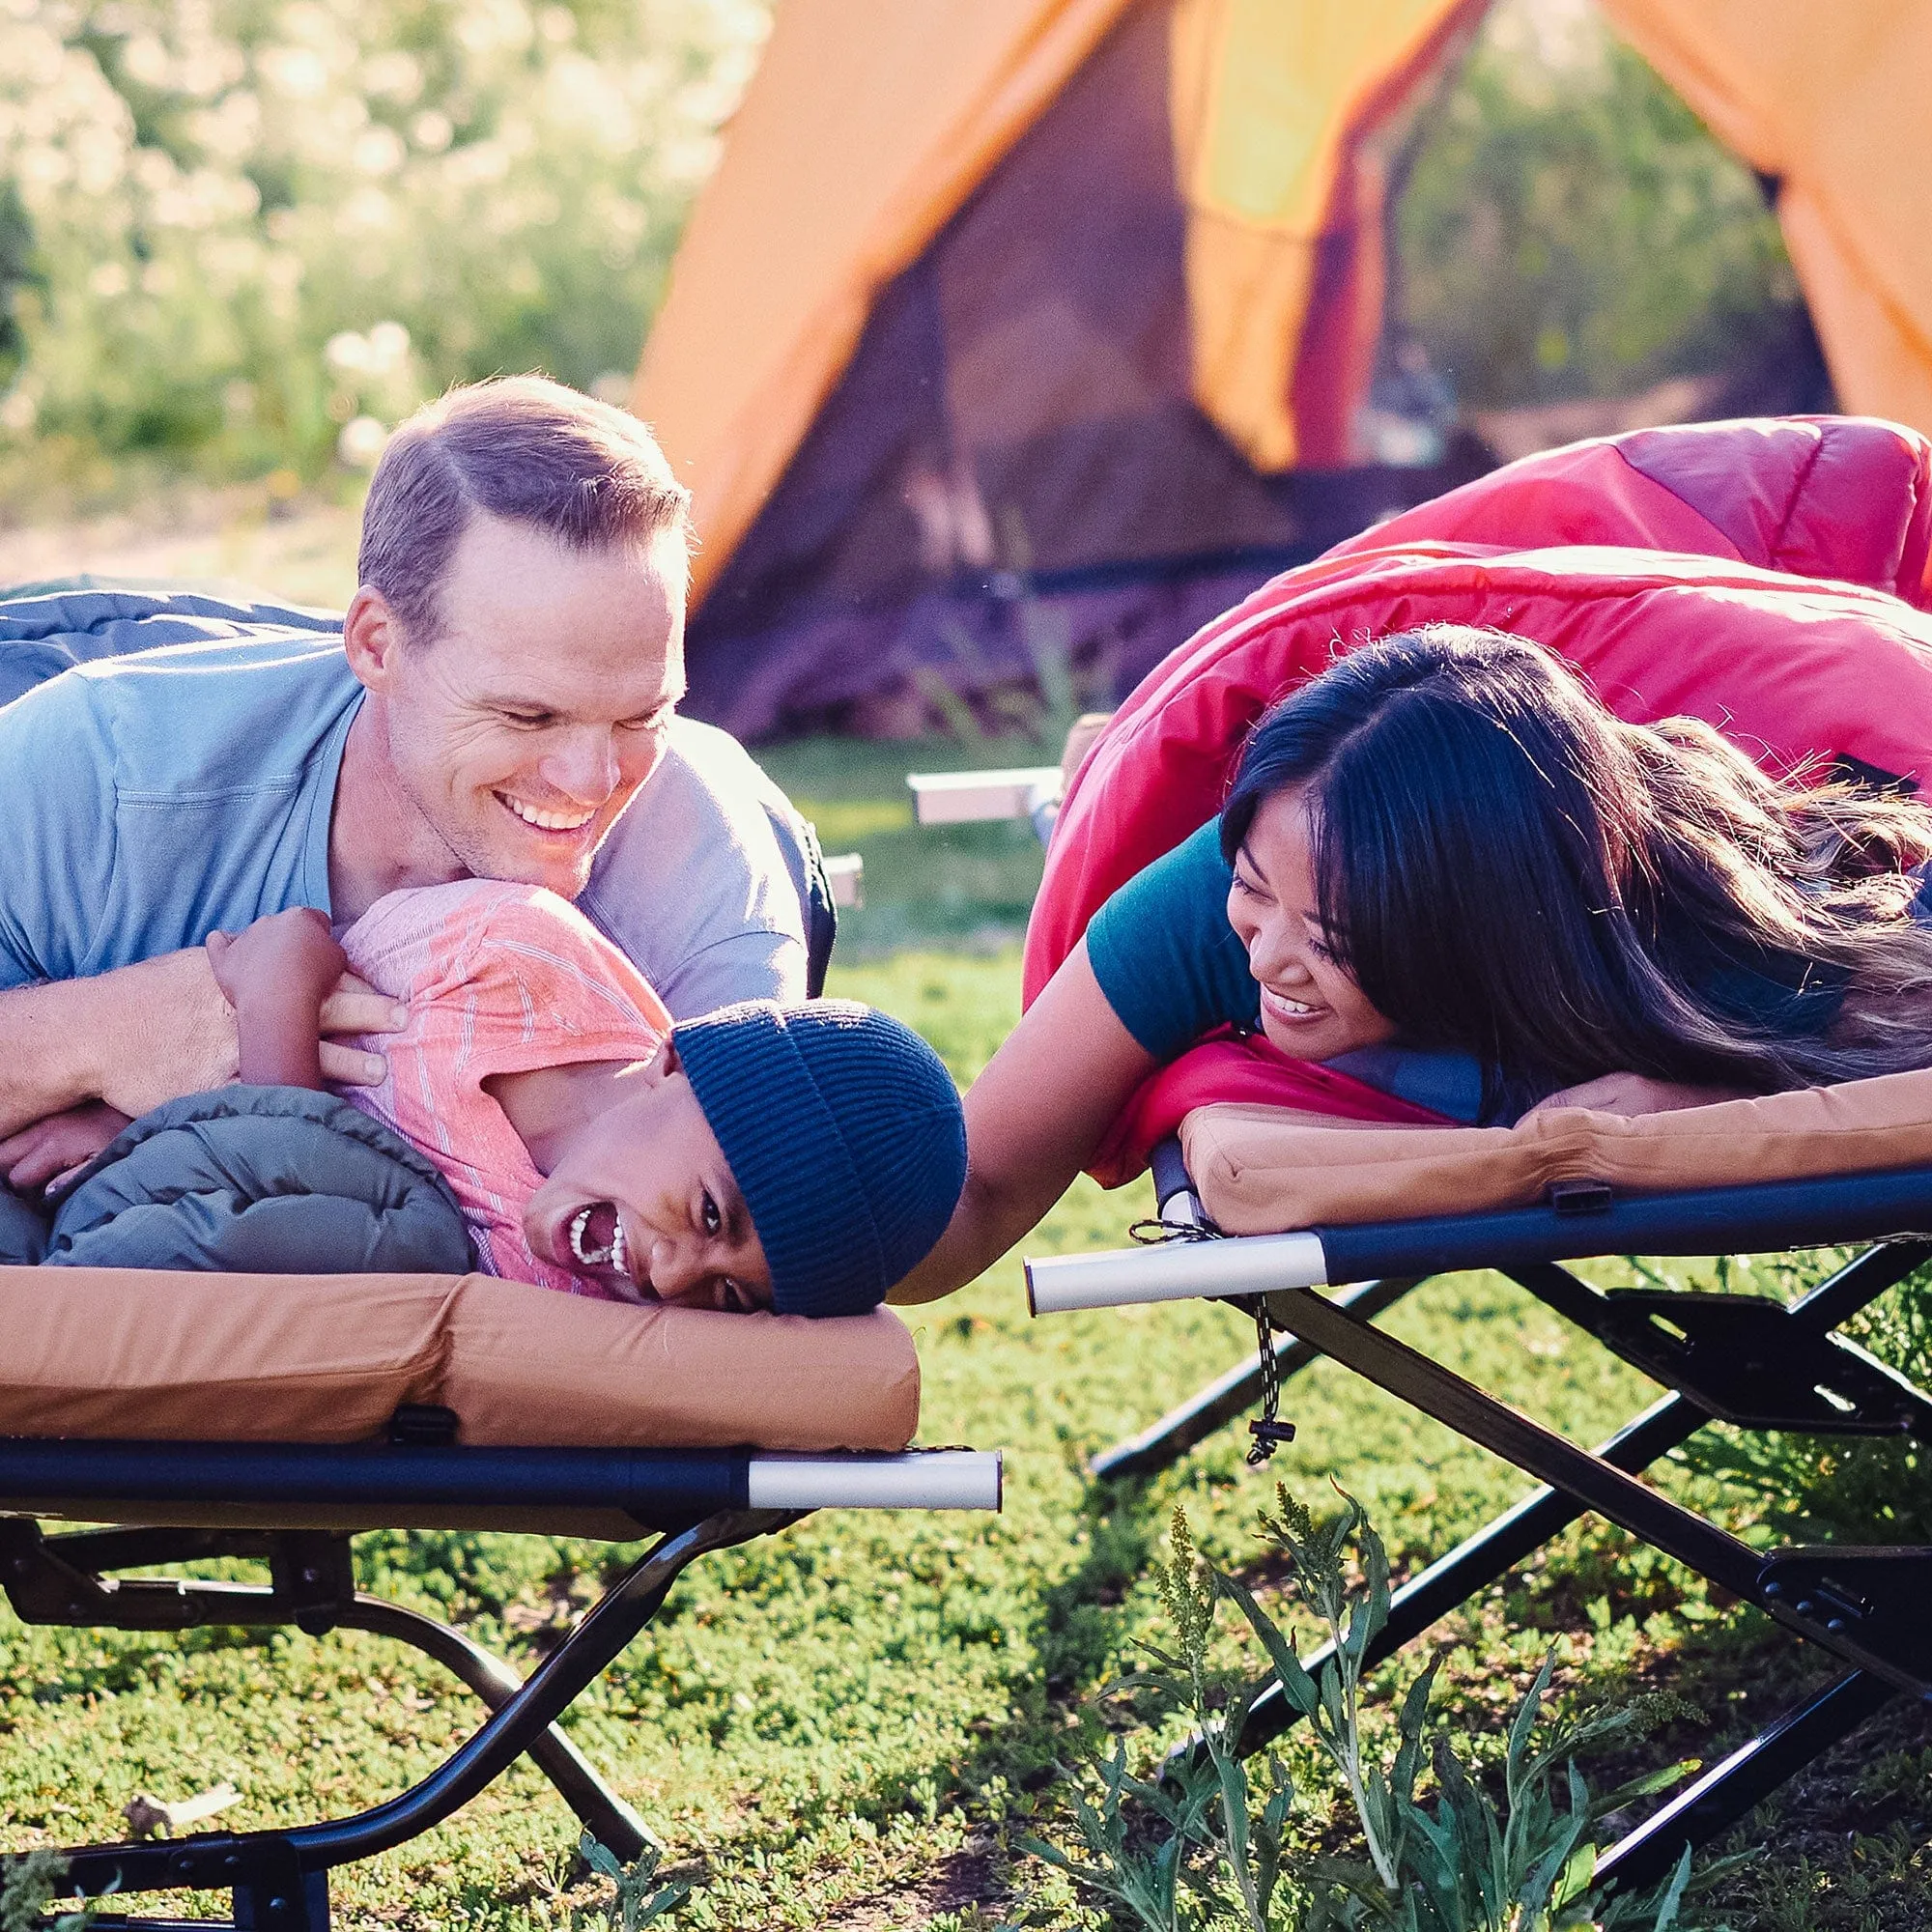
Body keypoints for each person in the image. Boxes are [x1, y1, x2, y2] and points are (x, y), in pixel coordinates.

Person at [892, 625, 1932, 1302]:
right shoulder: (1194, 914)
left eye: (1334, 941)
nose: (1271, 958)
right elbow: (976, 1181)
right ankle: (1101, 747)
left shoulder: (1716, 955)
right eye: (1254, 886)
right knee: (1131, 777)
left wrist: (1698, 1095)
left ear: (1471, 936)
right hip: (1467, 696)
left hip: (1688, 777)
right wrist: (767, 1259)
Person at [0, 375, 813, 1189]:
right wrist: (100, 1035)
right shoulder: (104, 773)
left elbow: (745, 1228)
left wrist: (177, 1121)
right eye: (529, 716)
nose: (593, 779)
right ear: (377, 645)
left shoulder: (708, 858)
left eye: (642, 716)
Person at [177, 882, 966, 1316]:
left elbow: (300, 1227)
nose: (669, 1276)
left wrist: (276, 1016)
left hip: (189, 1198)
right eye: (710, 1215)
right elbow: (304, 939)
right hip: (164, 1068)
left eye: (727, 1296)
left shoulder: (559, 1296)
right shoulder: (513, 957)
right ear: (675, 1063)